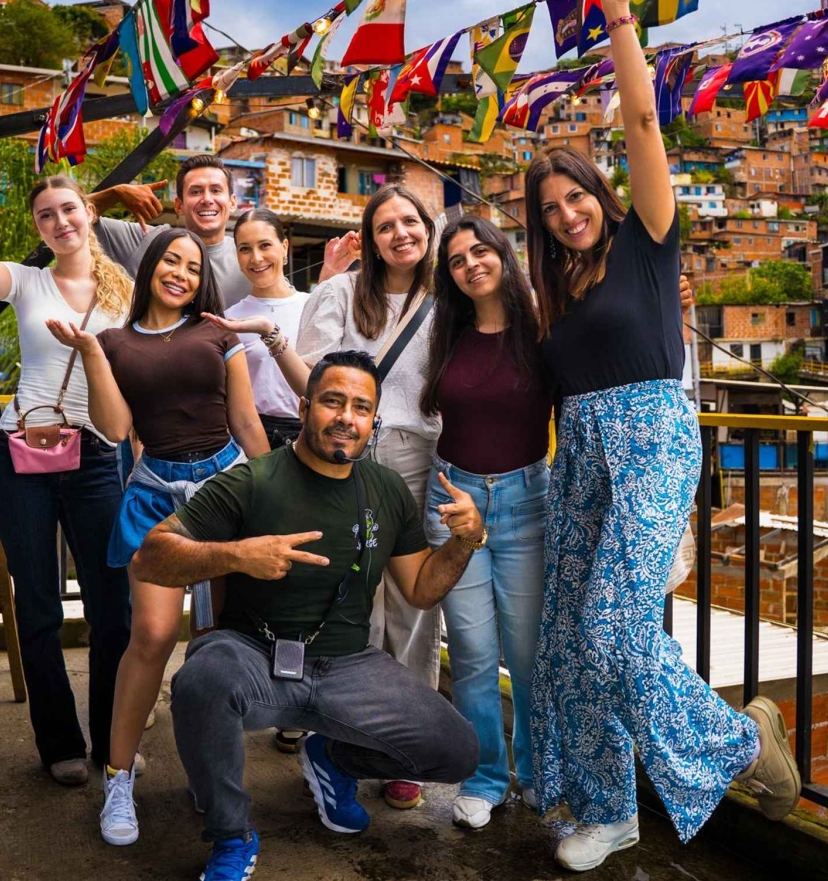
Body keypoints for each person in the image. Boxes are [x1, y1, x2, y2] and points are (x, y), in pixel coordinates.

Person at [522, 0, 801, 873]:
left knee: (614, 627)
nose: (567, 214)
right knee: (572, 639)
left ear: (598, 194)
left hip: (651, 438)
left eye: (575, 197)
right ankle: (608, 809)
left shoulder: (648, 239)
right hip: (578, 454)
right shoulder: (554, 291)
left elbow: (642, 120)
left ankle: (741, 742)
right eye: (550, 209)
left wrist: (618, 16)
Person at [137, 350, 484, 881]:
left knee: (458, 751)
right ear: (304, 407)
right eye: (332, 402)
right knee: (201, 682)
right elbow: (149, 558)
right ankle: (231, 834)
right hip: (252, 654)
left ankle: (333, 760)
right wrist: (237, 555)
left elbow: (420, 589)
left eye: (361, 408)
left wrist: (465, 540)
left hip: (347, 664)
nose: (346, 417)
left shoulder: (387, 489)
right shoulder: (253, 480)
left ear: (373, 421)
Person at [0, 120, 152, 796]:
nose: (60, 222)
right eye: (46, 215)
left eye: (69, 209)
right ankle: (59, 743)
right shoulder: (26, 282)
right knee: (40, 608)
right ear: (39, 228)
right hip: (22, 456)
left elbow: (141, 381)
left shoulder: (127, 292)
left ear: (90, 215)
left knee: (113, 609)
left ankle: (112, 739)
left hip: (99, 457)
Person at [46, 228, 270, 848]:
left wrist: (277, 494)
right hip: (154, 495)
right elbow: (116, 427)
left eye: (193, 267)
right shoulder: (115, 342)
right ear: (150, 267)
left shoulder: (217, 334)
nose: (181, 273)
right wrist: (91, 353)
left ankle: (210, 773)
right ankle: (118, 778)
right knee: (149, 635)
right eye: (171, 260)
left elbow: (245, 419)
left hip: (225, 488)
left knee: (216, 644)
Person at [295, 185, 444, 812]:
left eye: (410, 222)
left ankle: (404, 750)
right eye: (385, 226)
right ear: (370, 238)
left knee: (413, 604)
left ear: (429, 230)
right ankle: (338, 744)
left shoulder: (448, 298)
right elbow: (310, 371)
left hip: (418, 455)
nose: (400, 234)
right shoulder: (340, 292)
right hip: (347, 456)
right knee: (347, 599)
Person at [418, 215, 551, 831]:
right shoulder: (446, 331)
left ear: (503, 254)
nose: (471, 264)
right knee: (471, 654)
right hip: (454, 500)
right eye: (456, 260)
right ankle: (484, 778)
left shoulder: (542, 329)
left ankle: (539, 773)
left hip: (527, 502)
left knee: (526, 655)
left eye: (480, 251)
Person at [207, 208, 312, 451]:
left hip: (312, 431)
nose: (256, 258)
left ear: (284, 247)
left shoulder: (313, 306)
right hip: (253, 436)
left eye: (265, 245)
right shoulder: (229, 320)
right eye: (245, 249)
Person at [88, 154, 252, 303]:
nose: (207, 199)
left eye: (216, 190)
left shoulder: (249, 257)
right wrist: (115, 193)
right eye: (196, 192)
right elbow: (75, 217)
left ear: (232, 202)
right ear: (179, 205)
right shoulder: (147, 240)